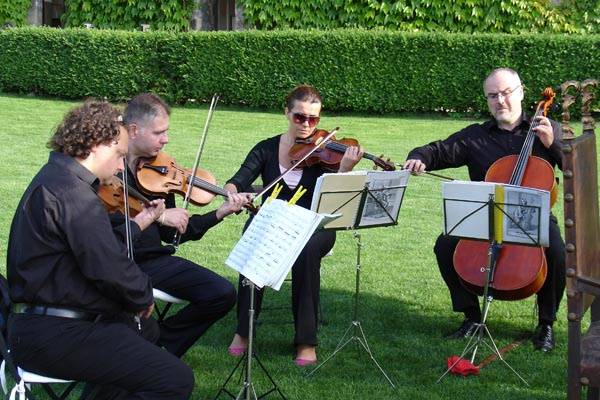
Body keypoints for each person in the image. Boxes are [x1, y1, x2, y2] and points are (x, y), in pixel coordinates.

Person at [7, 100, 193, 399]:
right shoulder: (72, 193)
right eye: (119, 155)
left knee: (145, 331)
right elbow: (107, 267)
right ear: (96, 144)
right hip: (53, 333)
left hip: (39, 325)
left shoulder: (59, 180)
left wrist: (142, 220)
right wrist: (141, 294)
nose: (121, 166)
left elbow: (100, 245)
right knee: (174, 378)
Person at [404, 68, 565, 352]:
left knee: (556, 250)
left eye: (506, 93)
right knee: (445, 245)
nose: (500, 100)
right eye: (493, 96)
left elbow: (579, 171)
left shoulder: (547, 129)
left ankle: (546, 323)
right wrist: (418, 157)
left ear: (521, 92)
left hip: (531, 218)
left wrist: (555, 146)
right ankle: (471, 317)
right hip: (487, 218)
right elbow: (438, 150)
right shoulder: (475, 136)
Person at [224, 85, 363, 365]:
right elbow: (237, 180)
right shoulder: (266, 148)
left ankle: (306, 340)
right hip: (272, 223)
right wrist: (233, 192)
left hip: (314, 227)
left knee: (306, 250)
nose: (307, 125)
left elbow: (336, 201)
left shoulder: (327, 153)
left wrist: (345, 170)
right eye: (300, 117)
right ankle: (244, 331)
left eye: (313, 119)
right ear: (286, 113)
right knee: (255, 237)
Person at [114, 92, 252, 358]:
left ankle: (159, 342)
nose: (165, 139)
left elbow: (172, 231)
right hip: (121, 262)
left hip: (154, 261)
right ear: (133, 130)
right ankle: (151, 347)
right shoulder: (106, 167)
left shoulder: (158, 172)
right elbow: (101, 224)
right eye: (158, 133)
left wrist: (220, 212)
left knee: (221, 293)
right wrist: (155, 216)